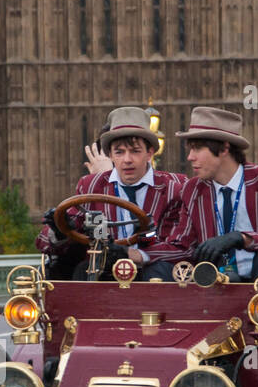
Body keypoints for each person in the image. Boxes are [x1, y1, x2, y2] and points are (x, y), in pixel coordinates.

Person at [143, 107, 258, 314]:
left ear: (224, 148)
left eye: (197, 149)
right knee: (158, 268)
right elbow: (183, 247)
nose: (190, 157)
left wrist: (241, 239)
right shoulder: (193, 190)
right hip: (217, 283)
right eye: (189, 149)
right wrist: (137, 254)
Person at [37, 106, 187, 280]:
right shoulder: (91, 185)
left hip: (150, 270)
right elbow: (44, 243)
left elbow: (179, 244)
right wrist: (59, 230)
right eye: (119, 152)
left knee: (159, 272)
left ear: (150, 153)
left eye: (135, 151)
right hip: (102, 270)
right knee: (80, 271)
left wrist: (136, 249)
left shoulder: (174, 187)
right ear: (110, 155)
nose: (127, 160)